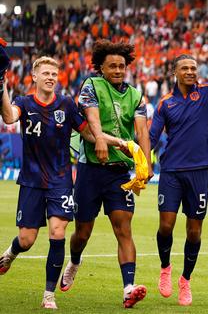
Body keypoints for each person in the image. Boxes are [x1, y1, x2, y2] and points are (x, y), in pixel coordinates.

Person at [0, 51, 128, 309]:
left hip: (60, 181)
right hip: (32, 181)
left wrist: (118, 142)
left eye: (54, 74)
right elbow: (9, 117)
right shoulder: (24, 102)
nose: (50, 78)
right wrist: (1, 85)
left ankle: (49, 294)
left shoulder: (67, 104)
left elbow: (91, 135)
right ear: (34, 76)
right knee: (26, 240)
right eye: (45, 73)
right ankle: (11, 253)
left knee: (58, 234)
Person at [60, 39, 153, 308]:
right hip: (90, 170)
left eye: (121, 66)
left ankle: (128, 287)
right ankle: (75, 261)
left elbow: (142, 131)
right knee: (82, 233)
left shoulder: (136, 95)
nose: (117, 69)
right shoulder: (91, 86)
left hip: (119, 173)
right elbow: (91, 117)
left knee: (123, 228)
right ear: (101, 67)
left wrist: (144, 164)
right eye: (112, 65)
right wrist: (99, 138)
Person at [149, 28, 208, 306]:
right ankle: (165, 269)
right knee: (166, 225)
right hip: (172, 171)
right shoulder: (166, 103)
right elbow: (151, 137)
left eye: (193, 68)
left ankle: (185, 280)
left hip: (200, 172)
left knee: (194, 231)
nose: (190, 71)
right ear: (175, 73)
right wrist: (140, 161)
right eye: (184, 68)